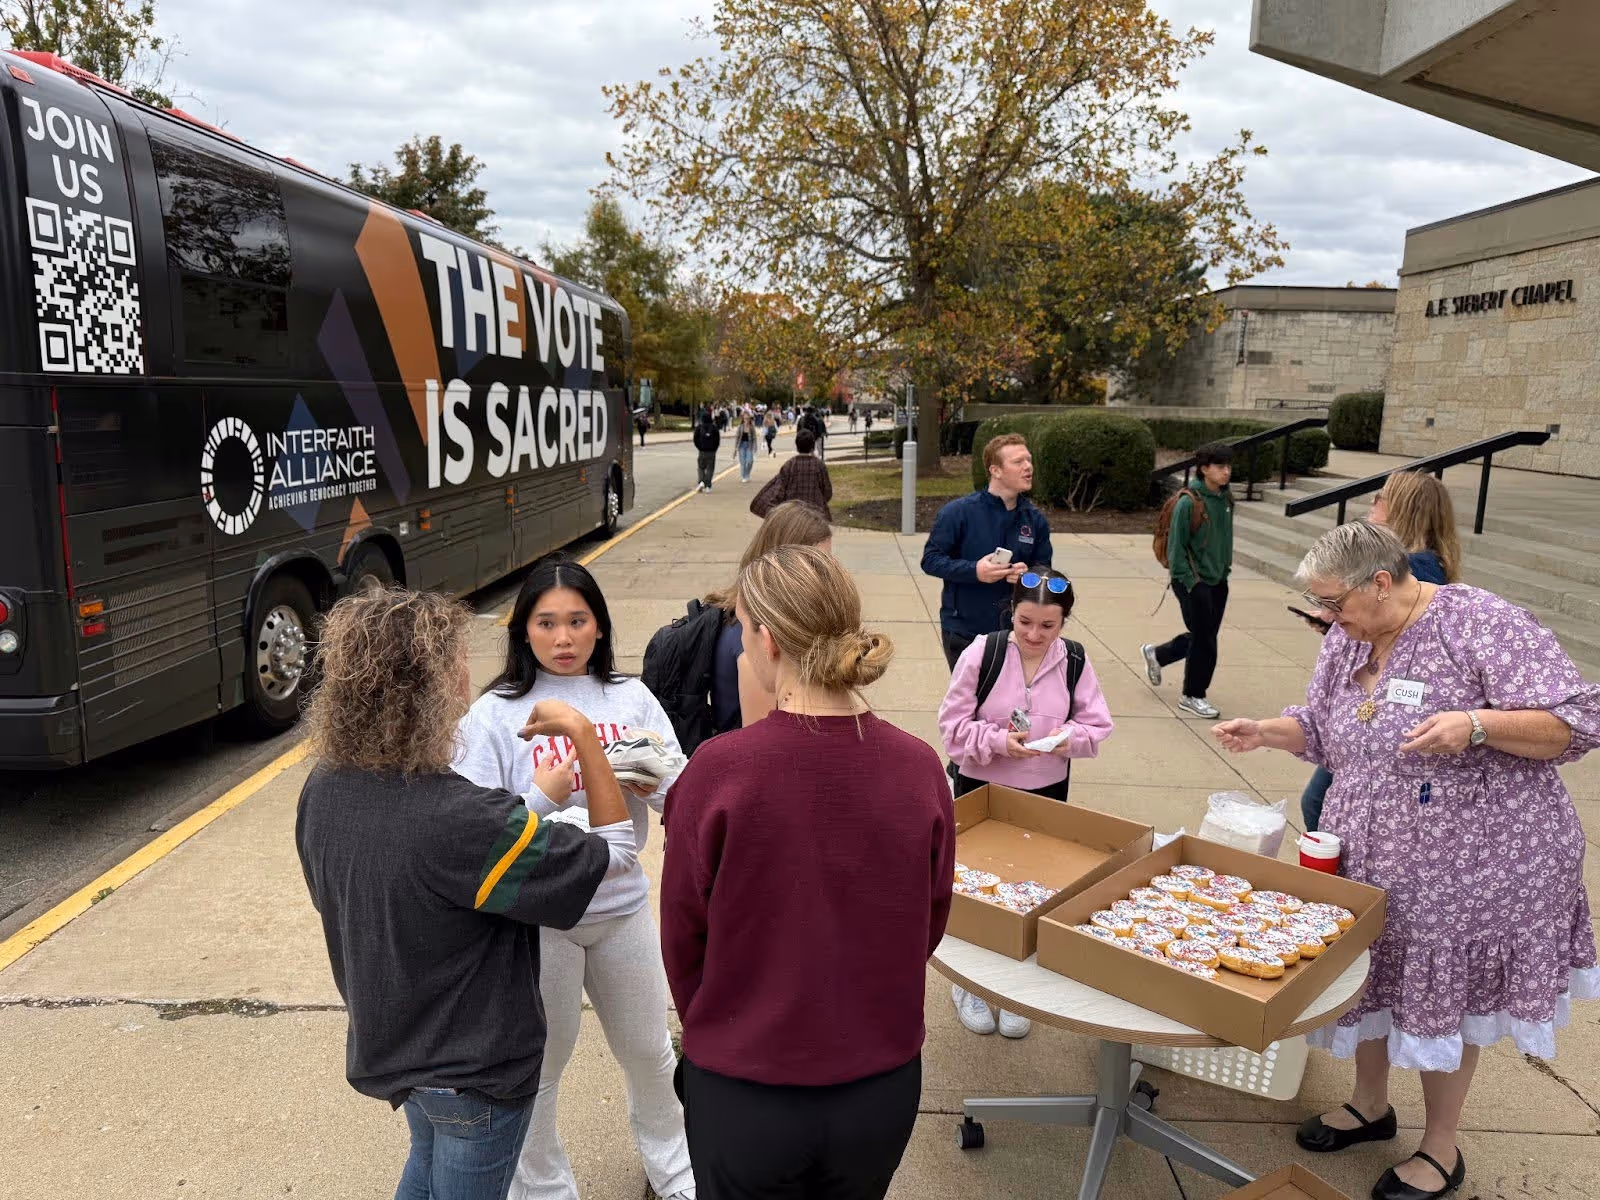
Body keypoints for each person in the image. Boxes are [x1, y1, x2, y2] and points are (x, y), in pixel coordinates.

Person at [1213, 521, 1600, 1200]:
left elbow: (1576, 723)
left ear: (1382, 582)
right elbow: (1328, 729)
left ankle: (1441, 1150)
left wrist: (1478, 724)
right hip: (1370, 857)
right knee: (1370, 975)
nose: (1326, 618)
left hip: (1473, 866)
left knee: (1441, 993)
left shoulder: (1481, 623)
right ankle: (1370, 1107)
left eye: (1334, 603)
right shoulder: (1348, 638)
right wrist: (1269, 731)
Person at [296, 588, 637, 1200]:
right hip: (474, 1073)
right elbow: (615, 859)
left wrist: (530, 802)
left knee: (423, 1169)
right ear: (431, 685)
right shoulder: (459, 819)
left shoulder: (324, 791)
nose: (466, 671)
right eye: (456, 658)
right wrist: (585, 736)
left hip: (396, 1050)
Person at [661, 545, 954, 1200]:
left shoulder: (719, 770)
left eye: (741, 629)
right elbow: (928, 921)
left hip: (746, 1088)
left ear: (766, 640)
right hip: (879, 1087)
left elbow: (683, 938)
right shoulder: (918, 768)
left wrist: (723, 1020)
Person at [454, 559, 695, 1200]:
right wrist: (540, 793)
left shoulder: (632, 697)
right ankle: (543, 1189)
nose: (563, 638)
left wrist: (657, 784)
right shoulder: (492, 715)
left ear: (599, 626)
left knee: (649, 1051)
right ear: (523, 630)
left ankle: (676, 1172)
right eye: (547, 622)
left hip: (620, 910)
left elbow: (685, 801)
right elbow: (472, 836)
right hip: (537, 924)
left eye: (578, 621)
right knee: (539, 1067)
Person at [938, 567, 1113, 1040]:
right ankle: (972, 984)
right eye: (1025, 622)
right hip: (983, 792)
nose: (1035, 634)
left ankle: (1016, 988)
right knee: (978, 889)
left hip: (1046, 793)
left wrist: (1065, 739)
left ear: (1065, 622)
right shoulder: (984, 651)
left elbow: (1097, 726)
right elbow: (952, 729)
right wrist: (997, 741)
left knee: (1036, 889)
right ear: (1010, 615)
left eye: (1048, 626)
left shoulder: (1074, 660)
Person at [1301, 471, 1462, 833]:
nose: (1371, 504)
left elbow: (1401, 638)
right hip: (1384, 705)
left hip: (1383, 710)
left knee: (1320, 802)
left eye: (1380, 497)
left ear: (1402, 508)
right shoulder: (1427, 562)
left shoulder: (1413, 569)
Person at [921, 433, 1053, 670]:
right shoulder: (958, 512)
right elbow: (931, 560)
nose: (1028, 467)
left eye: (1029, 460)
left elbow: (1045, 571)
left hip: (1017, 633)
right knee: (968, 703)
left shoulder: (1035, 520)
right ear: (996, 470)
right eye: (1018, 462)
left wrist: (1028, 576)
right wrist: (975, 571)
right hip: (965, 630)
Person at [706, 500, 834, 733]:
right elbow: (760, 745)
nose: (827, 575)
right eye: (815, 564)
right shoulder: (751, 642)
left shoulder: (760, 616)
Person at [1141, 441, 1235, 719]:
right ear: (1204, 469)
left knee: (1204, 636)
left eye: (1229, 466)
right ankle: (1193, 695)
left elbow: (1224, 539)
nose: (1226, 471)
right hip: (1192, 581)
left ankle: (1159, 655)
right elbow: (1176, 550)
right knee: (1206, 640)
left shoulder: (1226, 499)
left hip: (1218, 579)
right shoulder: (1188, 502)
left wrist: (1224, 571)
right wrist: (1191, 582)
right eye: (1220, 466)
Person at [750, 427, 832, 521]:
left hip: (793, 515)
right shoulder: (819, 465)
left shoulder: (789, 465)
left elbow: (779, 491)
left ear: (797, 446)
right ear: (812, 446)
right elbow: (827, 492)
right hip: (816, 515)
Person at [693, 408, 720, 494]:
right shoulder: (714, 428)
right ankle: (708, 485)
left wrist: (699, 447)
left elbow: (695, 439)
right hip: (711, 451)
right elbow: (717, 440)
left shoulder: (699, 428)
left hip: (702, 451)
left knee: (701, 468)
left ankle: (701, 481)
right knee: (710, 468)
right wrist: (715, 449)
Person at [734, 412, 758, 483]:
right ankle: (744, 476)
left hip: (749, 446)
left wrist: (755, 447)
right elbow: (737, 438)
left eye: (747, 418)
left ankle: (747, 474)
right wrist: (735, 448)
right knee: (743, 462)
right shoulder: (740, 427)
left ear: (749, 419)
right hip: (741, 446)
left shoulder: (752, 427)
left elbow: (754, 437)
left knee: (750, 461)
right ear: (743, 419)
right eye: (745, 418)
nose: (746, 420)